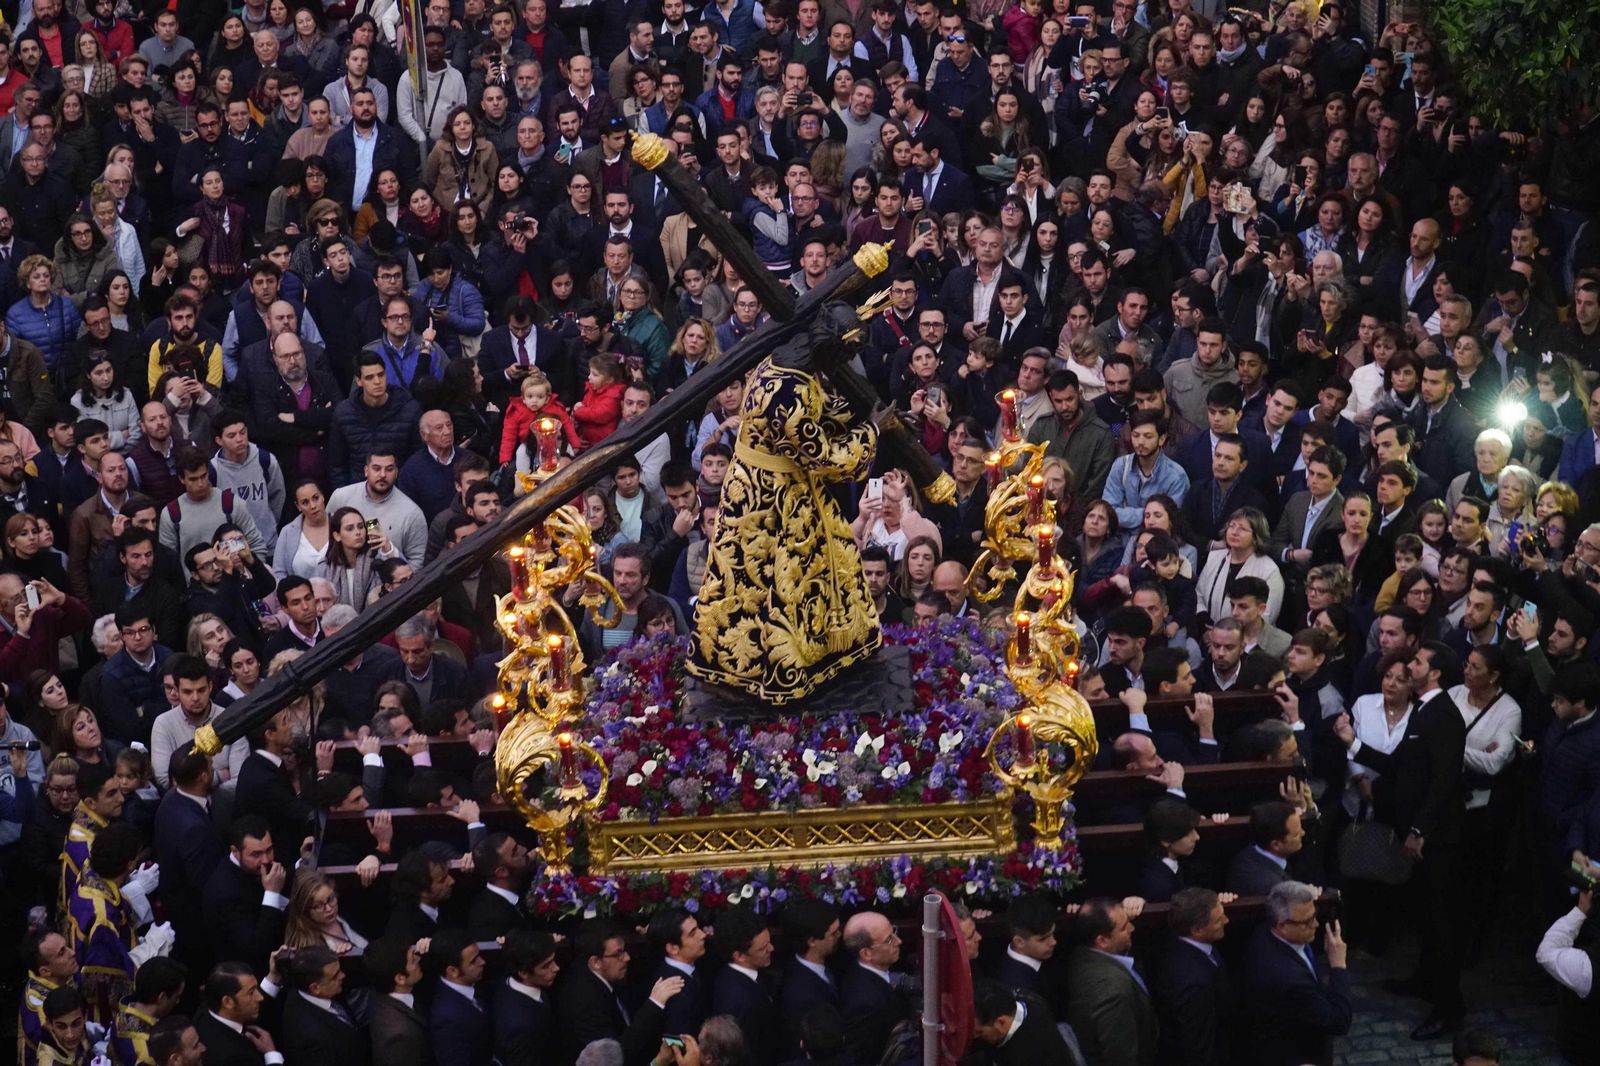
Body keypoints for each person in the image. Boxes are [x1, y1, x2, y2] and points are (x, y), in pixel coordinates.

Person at [1239, 881, 1352, 1065]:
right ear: (1282, 925)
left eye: (1315, 916)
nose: (1316, 924)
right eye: (1307, 922)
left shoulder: (1264, 932)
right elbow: (1339, 1021)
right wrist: (1338, 965)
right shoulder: (1290, 979)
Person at [1065, 896, 1157, 1066]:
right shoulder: (1113, 993)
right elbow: (1121, 1057)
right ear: (1102, 941)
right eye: (1123, 927)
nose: (1132, 928)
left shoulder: (1083, 953)